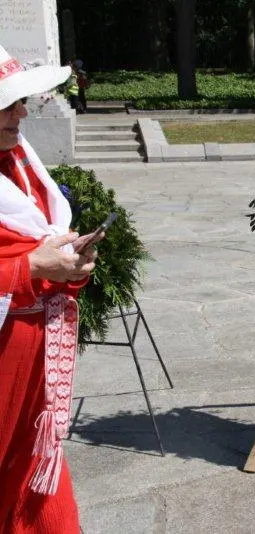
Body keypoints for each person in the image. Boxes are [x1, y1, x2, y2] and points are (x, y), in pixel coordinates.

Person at [0, 43, 101, 533]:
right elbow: (23, 260)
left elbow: (37, 241)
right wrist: (28, 269)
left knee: (33, 481)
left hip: (32, 360)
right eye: (7, 105)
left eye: (19, 101)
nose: (21, 113)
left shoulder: (20, 159)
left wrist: (70, 264)